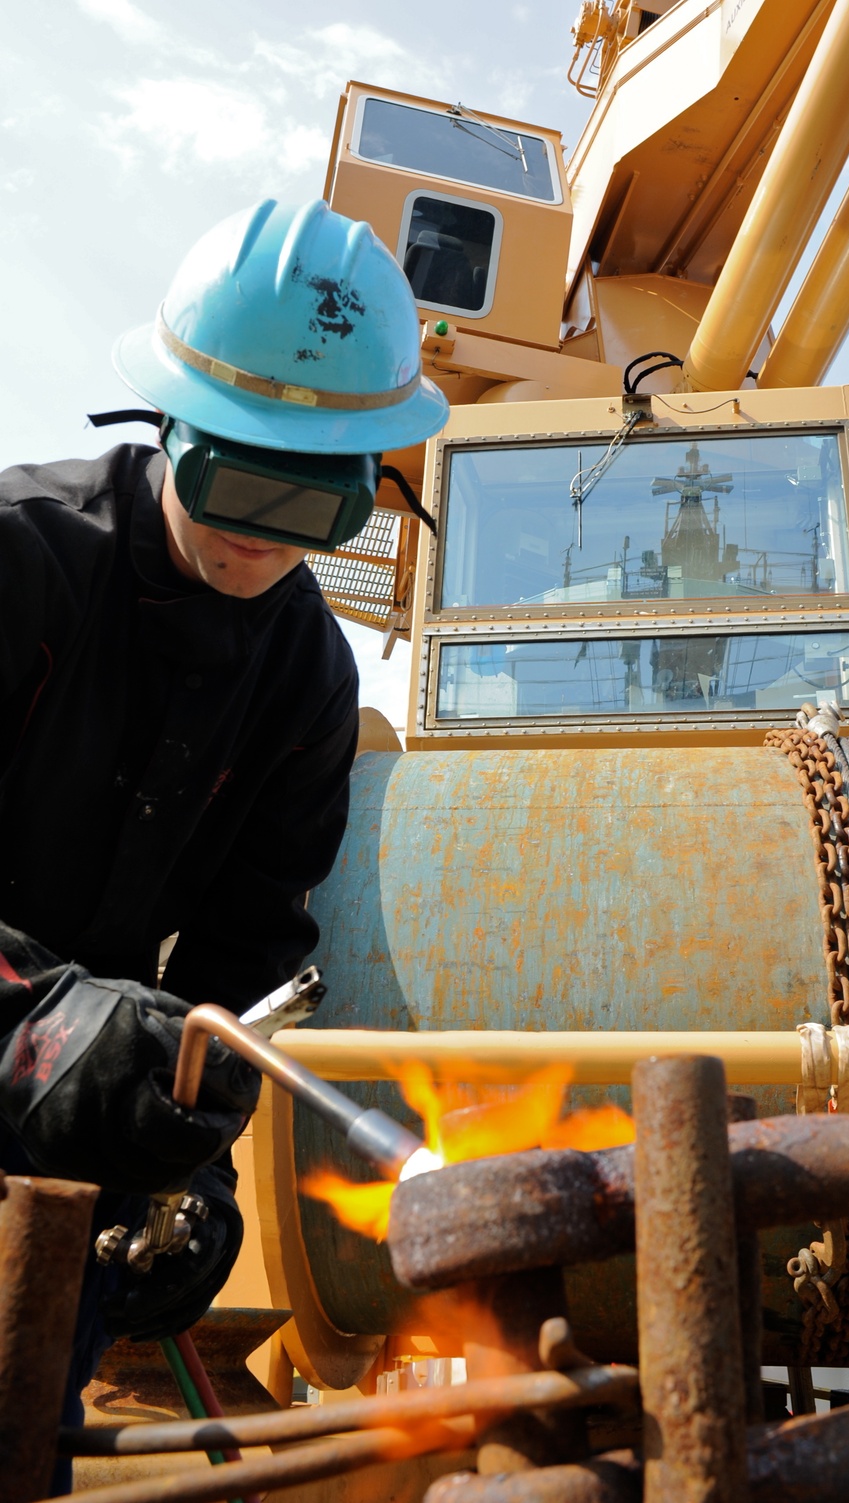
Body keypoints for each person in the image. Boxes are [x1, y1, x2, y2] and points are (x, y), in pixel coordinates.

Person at [0, 196, 448, 1479]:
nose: (259, 542)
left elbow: (251, 941)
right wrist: (47, 1025)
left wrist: (188, 1151)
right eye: (236, 483)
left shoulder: (306, 671)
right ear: (172, 426)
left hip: (64, 1137)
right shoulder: (21, 564)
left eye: (311, 510)